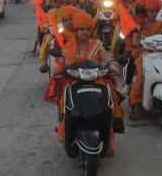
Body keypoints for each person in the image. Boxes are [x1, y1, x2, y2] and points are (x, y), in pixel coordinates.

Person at [45, 12, 124, 155]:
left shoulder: (97, 44)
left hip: (96, 80)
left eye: (87, 29)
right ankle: (66, 127)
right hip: (74, 82)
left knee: (111, 98)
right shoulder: (67, 46)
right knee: (65, 103)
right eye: (81, 29)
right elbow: (62, 64)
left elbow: (105, 61)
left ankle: (111, 127)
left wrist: (113, 68)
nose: (85, 32)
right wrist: (58, 70)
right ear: (75, 31)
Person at [128, 0, 162, 118]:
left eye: (156, 11)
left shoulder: (161, 24)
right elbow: (135, 38)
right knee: (141, 76)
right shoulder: (141, 24)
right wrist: (137, 44)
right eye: (151, 11)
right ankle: (133, 105)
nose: (153, 13)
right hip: (143, 52)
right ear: (147, 11)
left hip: (159, 51)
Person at [121, 0, 150, 95]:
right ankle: (127, 84)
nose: (141, 7)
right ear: (136, 6)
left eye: (144, 5)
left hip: (150, 47)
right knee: (131, 61)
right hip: (134, 47)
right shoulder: (131, 18)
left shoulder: (150, 20)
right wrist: (131, 46)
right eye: (140, 5)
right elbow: (127, 35)